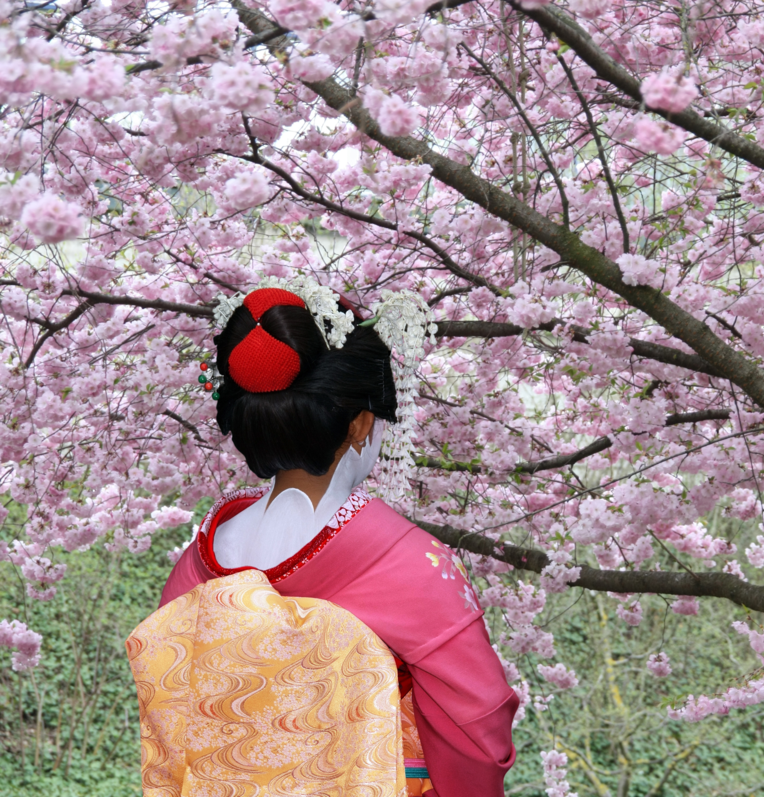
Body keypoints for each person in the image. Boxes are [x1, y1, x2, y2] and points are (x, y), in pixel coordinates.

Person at [130, 282, 517, 796]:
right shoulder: (409, 564)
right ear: (360, 424)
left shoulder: (197, 566)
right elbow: (478, 724)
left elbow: (173, 717)